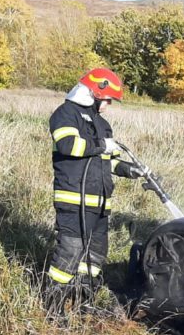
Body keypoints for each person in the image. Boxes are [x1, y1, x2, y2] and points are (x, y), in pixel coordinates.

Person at [44, 67, 143, 312]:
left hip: (99, 204)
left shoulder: (103, 124)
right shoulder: (65, 114)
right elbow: (68, 146)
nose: (108, 104)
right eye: (106, 99)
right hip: (73, 199)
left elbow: (109, 161)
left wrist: (130, 170)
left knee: (96, 254)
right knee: (70, 251)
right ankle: (53, 308)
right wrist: (101, 145)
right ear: (92, 92)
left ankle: (82, 303)